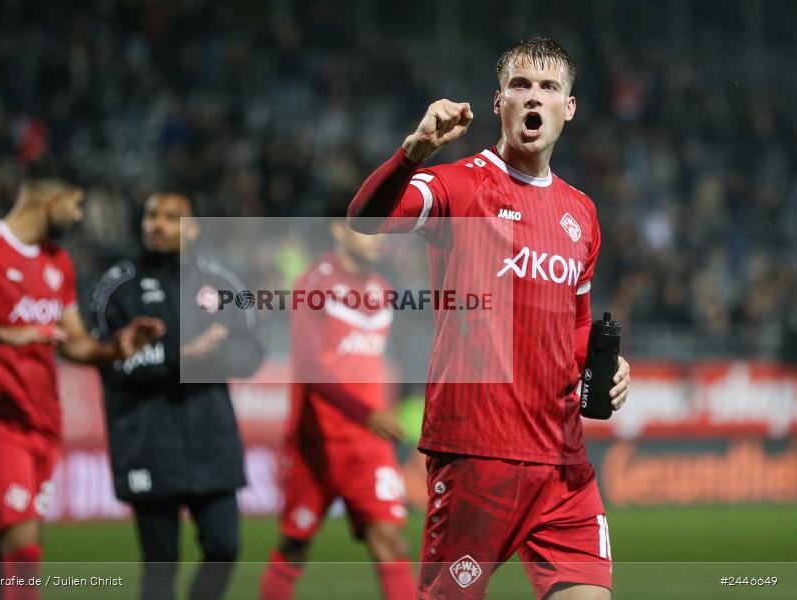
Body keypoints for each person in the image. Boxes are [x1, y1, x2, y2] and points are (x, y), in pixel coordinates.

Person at [347, 36, 632, 600]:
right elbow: (364, 220)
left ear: (568, 108)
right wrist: (413, 152)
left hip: (562, 463)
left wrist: (605, 365)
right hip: (479, 456)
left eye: (549, 88)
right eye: (520, 85)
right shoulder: (458, 185)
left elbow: (574, 325)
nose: (534, 98)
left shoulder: (581, 213)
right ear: (499, 100)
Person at [0, 161, 164, 600]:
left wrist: (114, 350)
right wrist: (4, 334)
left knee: (3, 555)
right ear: (51, 202)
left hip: (42, 423)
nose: (81, 216)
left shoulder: (57, 262)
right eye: (76, 205)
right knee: (25, 550)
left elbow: (75, 342)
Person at [91, 192, 263, 600]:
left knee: (225, 548)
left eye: (171, 217)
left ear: (193, 227)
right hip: (149, 441)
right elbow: (107, 360)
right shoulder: (117, 286)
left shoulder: (222, 282)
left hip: (211, 438)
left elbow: (250, 351)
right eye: (152, 215)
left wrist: (215, 353)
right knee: (160, 568)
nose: (158, 225)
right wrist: (184, 357)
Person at [259, 212, 415, 600]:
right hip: (318, 441)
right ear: (336, 230)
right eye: (367, 228)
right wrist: (366, 413)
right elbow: (310, 367)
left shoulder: (382, 287)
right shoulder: (314, 284)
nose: (378, 237)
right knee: (295, 546)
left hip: (370, 446)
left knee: (391, 542)